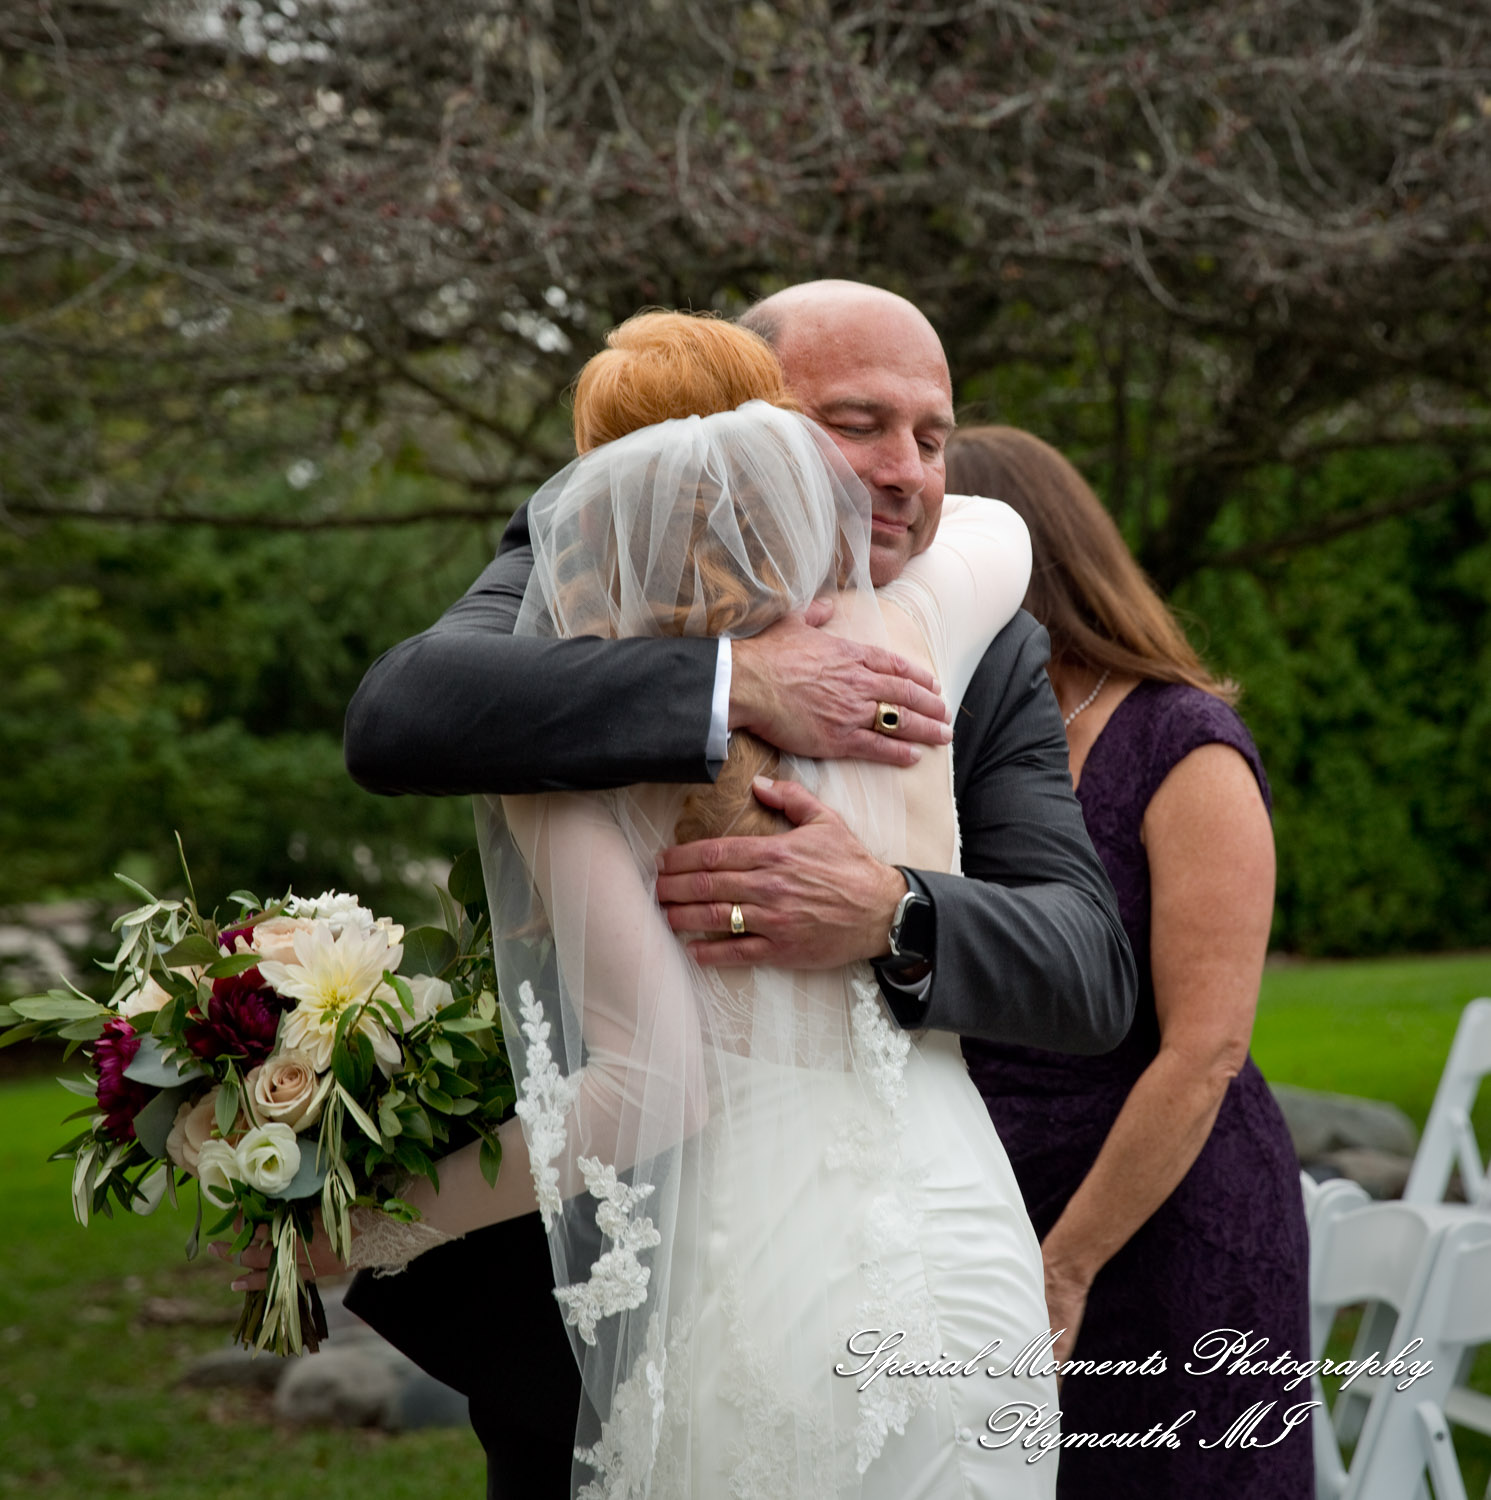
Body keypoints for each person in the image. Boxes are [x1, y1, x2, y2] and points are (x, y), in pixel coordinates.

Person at [338, 285, 1136, 1497]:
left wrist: (891, 911)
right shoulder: (575, 608)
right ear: (733, 430)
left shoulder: (980, 641)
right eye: (856, 423)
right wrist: (730, 683)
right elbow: (406, 711)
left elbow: (1088, 966)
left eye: (934, 436)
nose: (907, 472)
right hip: (591, 1326)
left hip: (901, 1248)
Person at [943, 426, 1311, 1499]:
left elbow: (1206, 1049)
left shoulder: (1180, 743)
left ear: (1022, 559)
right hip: (988, 1211)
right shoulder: (957, 736)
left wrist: (1064, 1266)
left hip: (1159, 1223)